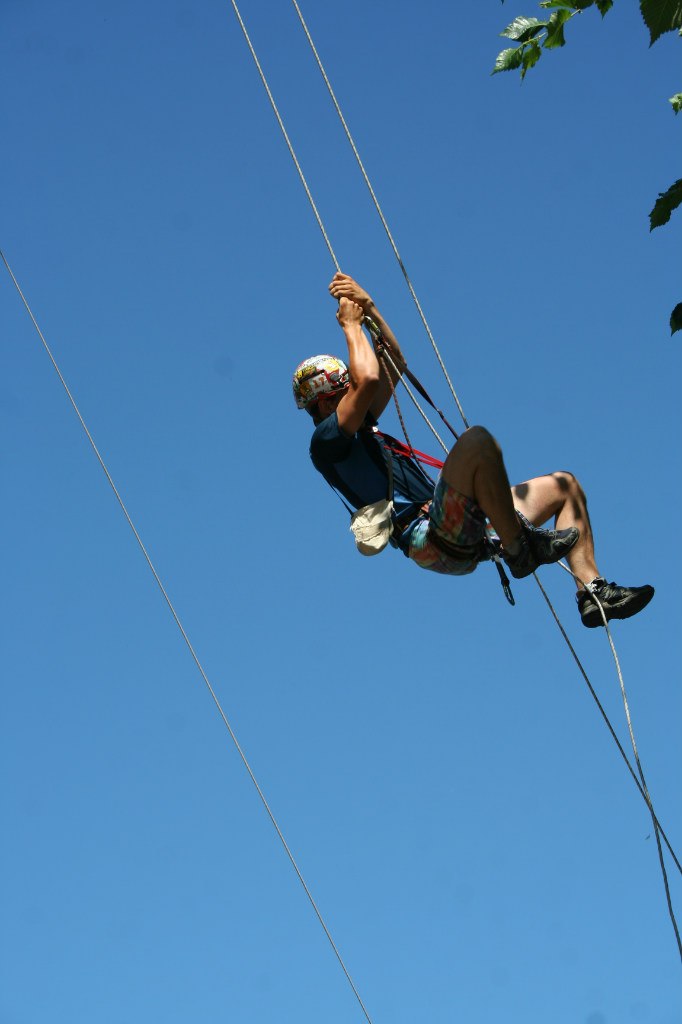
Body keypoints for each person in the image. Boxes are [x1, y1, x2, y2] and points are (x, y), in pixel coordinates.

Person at [292, 272, 654, 627]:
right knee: (477, 443)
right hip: (428, 536)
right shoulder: (327, 443)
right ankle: (518, 548)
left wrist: (369, 307)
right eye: (344, 390)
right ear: (324, 405)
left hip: (459, 523)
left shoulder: (360, 430)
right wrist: (351, 327)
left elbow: (393, 364)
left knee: (565, 486)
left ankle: (591, 593)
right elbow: (368, 378)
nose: (355, 394)